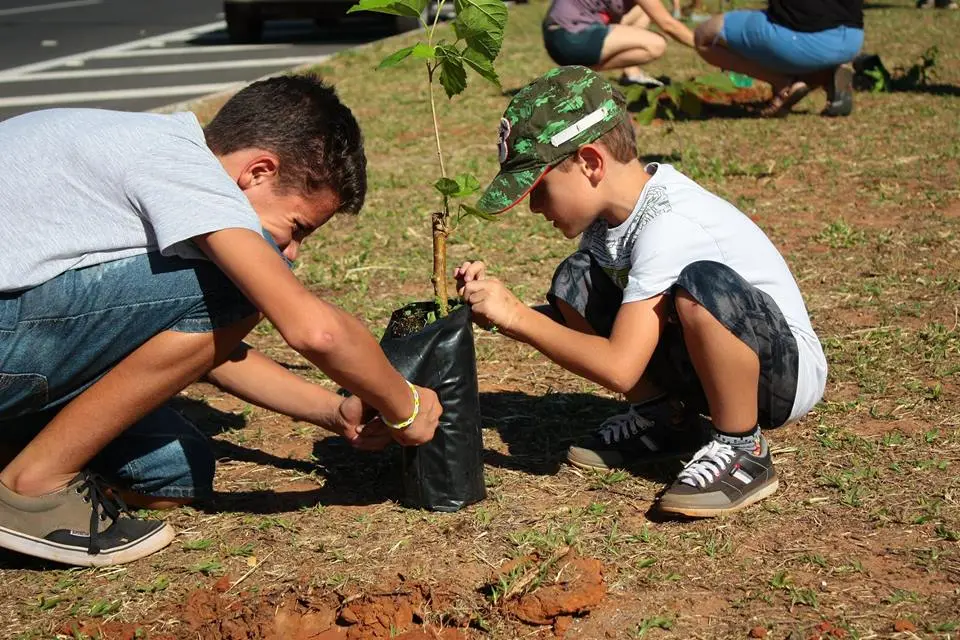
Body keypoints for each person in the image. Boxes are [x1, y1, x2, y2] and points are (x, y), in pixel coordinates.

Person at [0, 74, 441, 567]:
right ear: (258, 171)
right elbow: (313, 330)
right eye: (297, 228)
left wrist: (334, 413)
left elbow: (193, 346)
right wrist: (404, 404)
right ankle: (29, 490)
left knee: (174, 472)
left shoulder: (145, 151)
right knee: (235, 286)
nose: (291, 253)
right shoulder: (181, 164)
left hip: (18, 335)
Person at [457, 66, 827, 517]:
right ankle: (664, 420)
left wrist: (517, 315)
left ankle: (742, 448)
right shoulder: (610, 222)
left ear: (590, 163)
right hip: (702, 350)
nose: (534, 206)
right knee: (575, 280)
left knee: (700, 286)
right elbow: (596, 333)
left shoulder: (669, 224)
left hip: (780, 377)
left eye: (539, 187)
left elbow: (618, 365)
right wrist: (499, 314)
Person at [693, 0, 864, 116]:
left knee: (704, 36)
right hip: (852, 39)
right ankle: (829, 70)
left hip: (801, 40)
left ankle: (783, 83)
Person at [543, 0, 696, 88]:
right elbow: (668, 24)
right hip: (571, 36)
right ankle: (576, 75)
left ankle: (632, 74)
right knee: (656, 45)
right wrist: (705, 46)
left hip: (558, 33)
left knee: (643, 11)